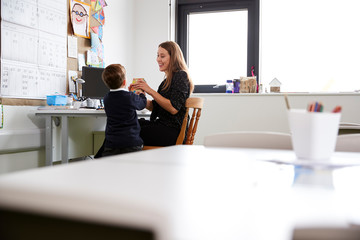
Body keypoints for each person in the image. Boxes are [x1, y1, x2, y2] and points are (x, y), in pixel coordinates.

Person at [131, 41, 194, 146]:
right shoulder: (166, 82)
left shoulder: (180, 76)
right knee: (124, 124)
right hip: (162, 127)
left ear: (173, 58)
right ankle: (102, 159)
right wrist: (140, 96)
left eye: (162, 56)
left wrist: (150, 90)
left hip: (172, 132)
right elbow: (155, 107)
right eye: (158, 55)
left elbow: (173, 108)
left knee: (123, 130)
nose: (158, 59)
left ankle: (101, 159)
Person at [95, 64, 147, 158]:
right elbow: (142, 104)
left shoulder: (106, 98)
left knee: (111, 168)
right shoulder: (130, 97)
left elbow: (120, 100)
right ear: (124, 82)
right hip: (131, 143)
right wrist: (142, 94)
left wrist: (130, 93)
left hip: (112, 144)